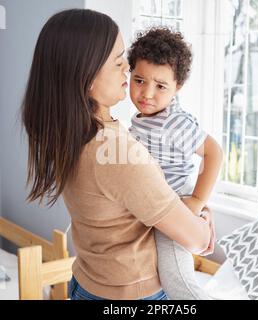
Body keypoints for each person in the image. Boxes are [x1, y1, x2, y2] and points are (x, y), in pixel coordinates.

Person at [21, 9, 212, 300]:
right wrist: (204, 217)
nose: (128, 67)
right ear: (86, 78)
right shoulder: (116, 151)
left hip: (88, 281)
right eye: (117, 60)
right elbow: (197, 240)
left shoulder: (68, 133)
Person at [128, 27, 223, 299]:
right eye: (139, 80)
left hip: (174, 207)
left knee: (177, 283)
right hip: (154, 204)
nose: (146, 93)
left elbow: (214, 153)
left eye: (160, 86)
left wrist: (196, 200)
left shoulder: (175, 121)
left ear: (177, 88)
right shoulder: (143, 117)